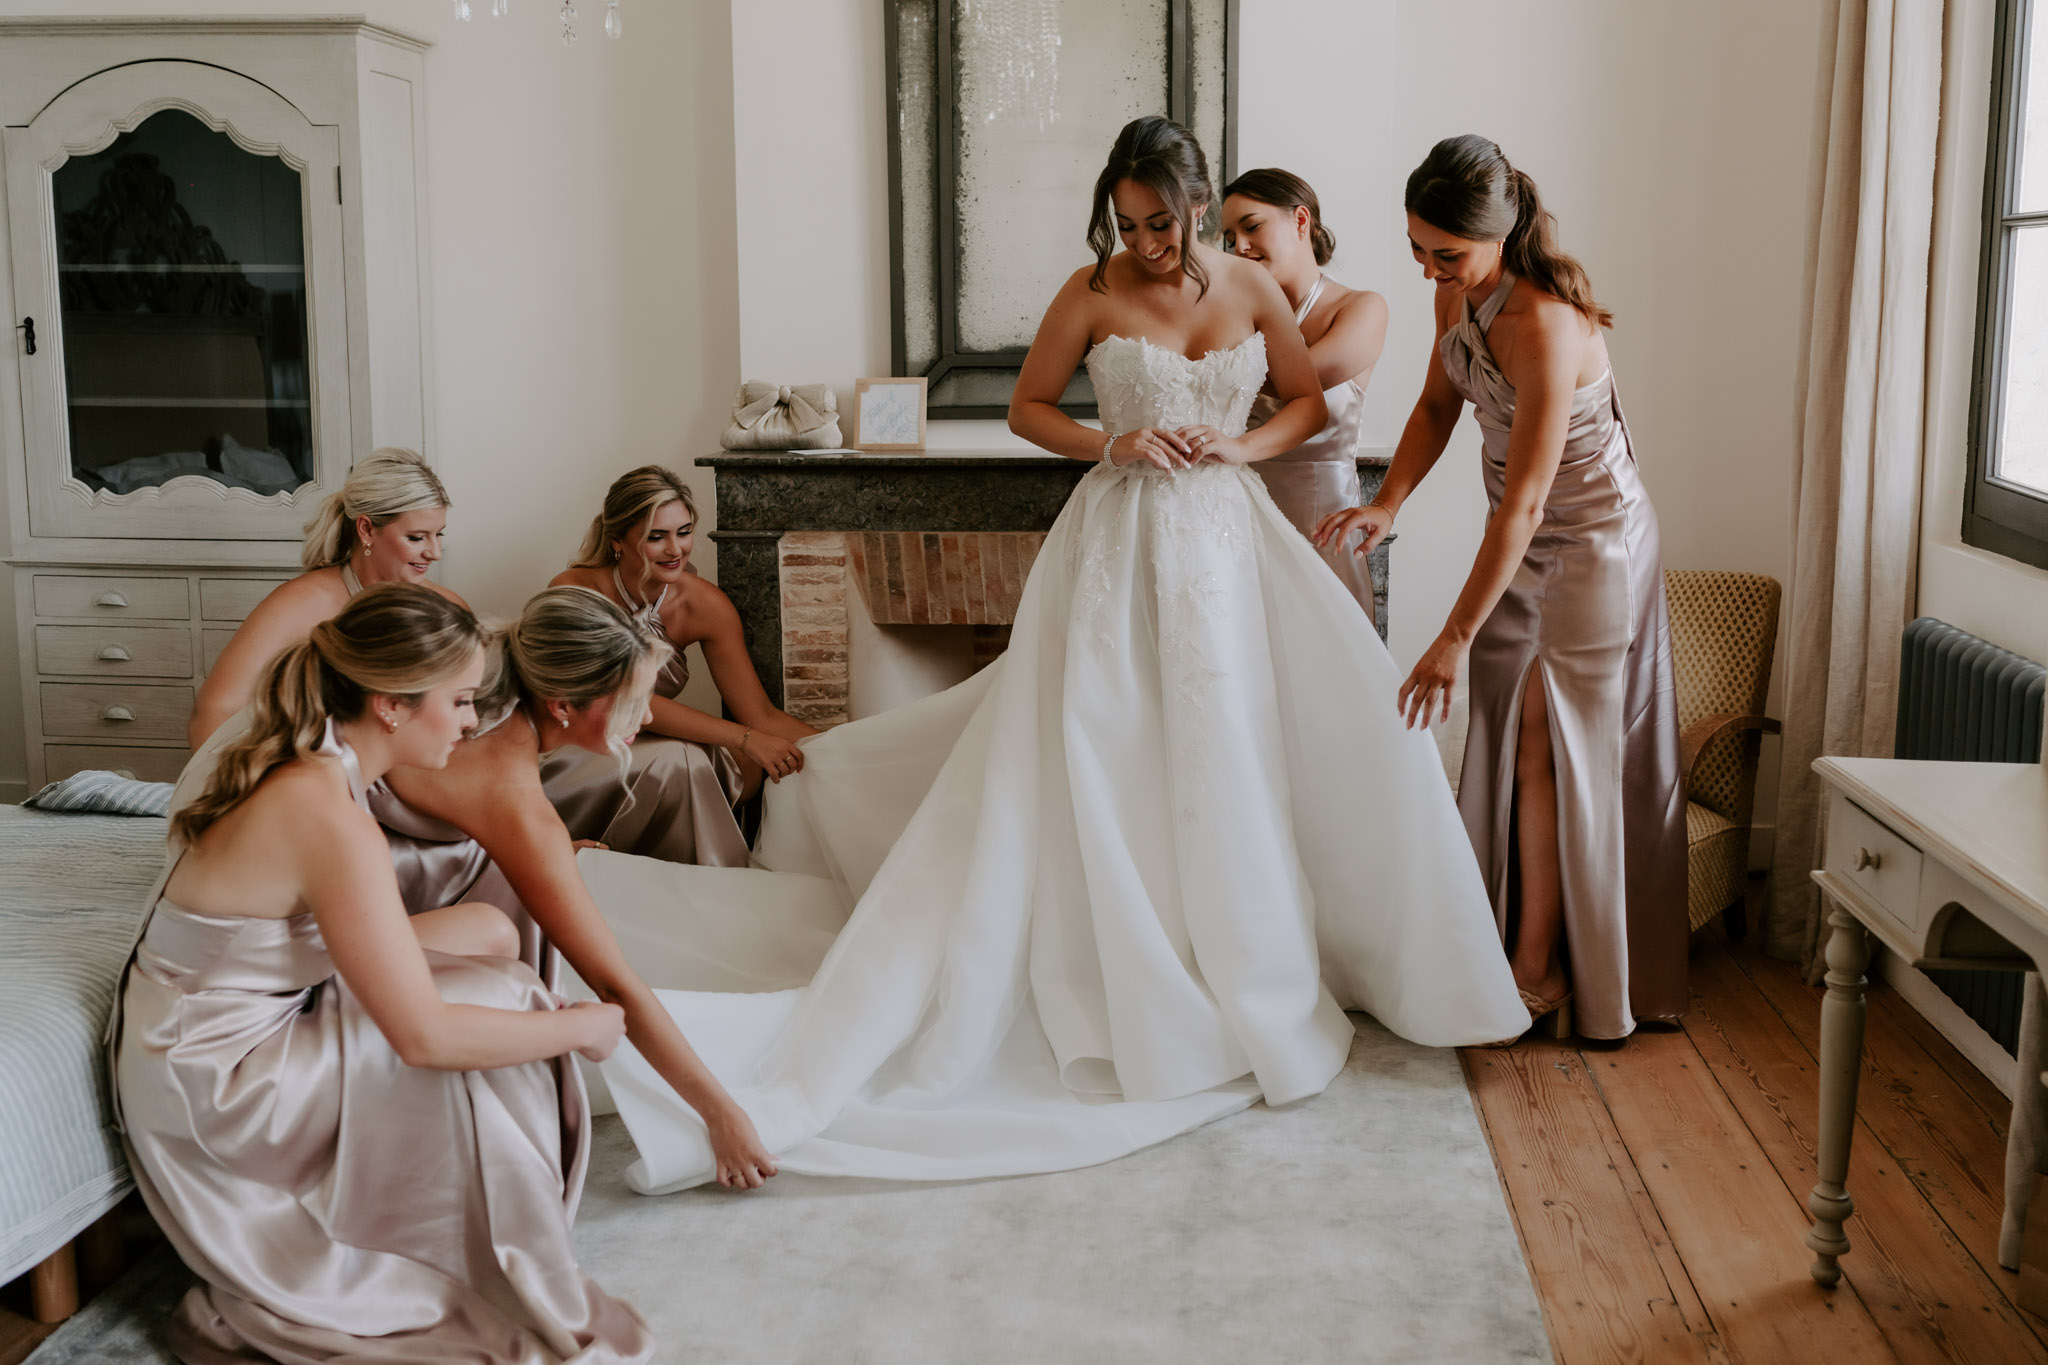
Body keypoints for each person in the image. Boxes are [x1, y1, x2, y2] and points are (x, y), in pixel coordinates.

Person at [574, 116, 1527, 1196]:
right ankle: (1114, 969)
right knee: (1101, 742)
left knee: (1227, 743)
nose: (1145, 242)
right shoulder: (1088, 292)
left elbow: (1306, 401)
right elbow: (1029, 408)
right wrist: (1110, 441)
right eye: (1126, 224)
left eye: (1160, 222)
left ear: (1199, 204)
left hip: (1222, 542)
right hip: (1116, 538)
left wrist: (1241, 444)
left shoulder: (1253, 291)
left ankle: (1239, 963)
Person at [112, 584, 652, 1363]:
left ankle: (483, 1216)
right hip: (218, 1081)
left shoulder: (326, 764)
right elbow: (424, 1037)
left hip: (235, 1004)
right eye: (462, 701)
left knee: (493, 931)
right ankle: (458, 1248)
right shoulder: (328, 812)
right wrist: (582, 1026)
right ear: (392, 706)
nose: (474, 721)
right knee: (505, 1003)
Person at [1316, 135, 1687, 1041]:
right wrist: (1389, 502)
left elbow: (1522, 505)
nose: (1427, 269)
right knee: (1512, 742)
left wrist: (1451, 636)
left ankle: (1548, 969)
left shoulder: (1549, 326)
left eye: (1446, 253)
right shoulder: (1458, 295)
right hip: (1521, 542)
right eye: (1416, 248)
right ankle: (1519, 949)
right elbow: (1440, 403)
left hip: (1591, 547)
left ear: (1503, 229)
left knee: (1553, 750)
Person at [546, 466, 816, 863]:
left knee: (744, 765)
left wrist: (844, 748)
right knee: (685, 759)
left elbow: (760, 715)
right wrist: (744, 737)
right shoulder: (575, 592)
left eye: (684, 532)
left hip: (656, 749)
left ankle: (675, 881)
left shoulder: (704, 604)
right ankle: (708, 882)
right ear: (618, 540)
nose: (676, 550)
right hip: (581, 750)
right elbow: (625, 701)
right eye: (657, 537)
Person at [189, 446, 461, 748]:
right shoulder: (300, 603)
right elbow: (214, 711)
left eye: (439, 535)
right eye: (416, 537)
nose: (435, 553)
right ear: (367, 529)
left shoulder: (449, 610)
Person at [1220, 167, 1389, 618]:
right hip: (1235, 522)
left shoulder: (1361, 308)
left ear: (1300, 221)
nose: (1238, 246)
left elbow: (1293, 383)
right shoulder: (1233, 318)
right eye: (1228, 237)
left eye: (1251, 227)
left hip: (1323, 527)